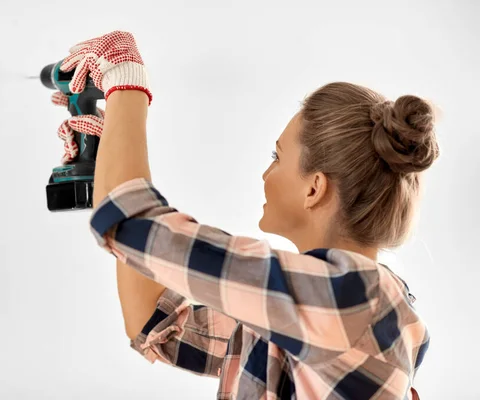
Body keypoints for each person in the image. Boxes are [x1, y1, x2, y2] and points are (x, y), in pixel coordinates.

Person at [54, 31, 437, 400]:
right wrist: (112, 148)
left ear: (314, 188)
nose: (265, 173)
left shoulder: (356, 300)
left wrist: (125, 77)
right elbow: (157, 325)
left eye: (277, 157)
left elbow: (130, 225)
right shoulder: (312, 312)